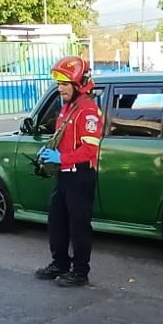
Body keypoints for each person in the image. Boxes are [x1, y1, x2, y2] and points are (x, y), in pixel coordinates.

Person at [33, 56, 103, 288]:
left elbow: (89, 150)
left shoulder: (88, 111)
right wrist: (50, 151)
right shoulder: (66, 108)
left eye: (64, 84)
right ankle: (60, 264)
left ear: (77, 85)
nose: (59, 88)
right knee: (57, 221)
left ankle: (80, 271)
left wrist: (61, 157)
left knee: (79, 225)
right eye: (59, 83)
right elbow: (64, 139)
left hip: (80, 176)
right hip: (64, 174)